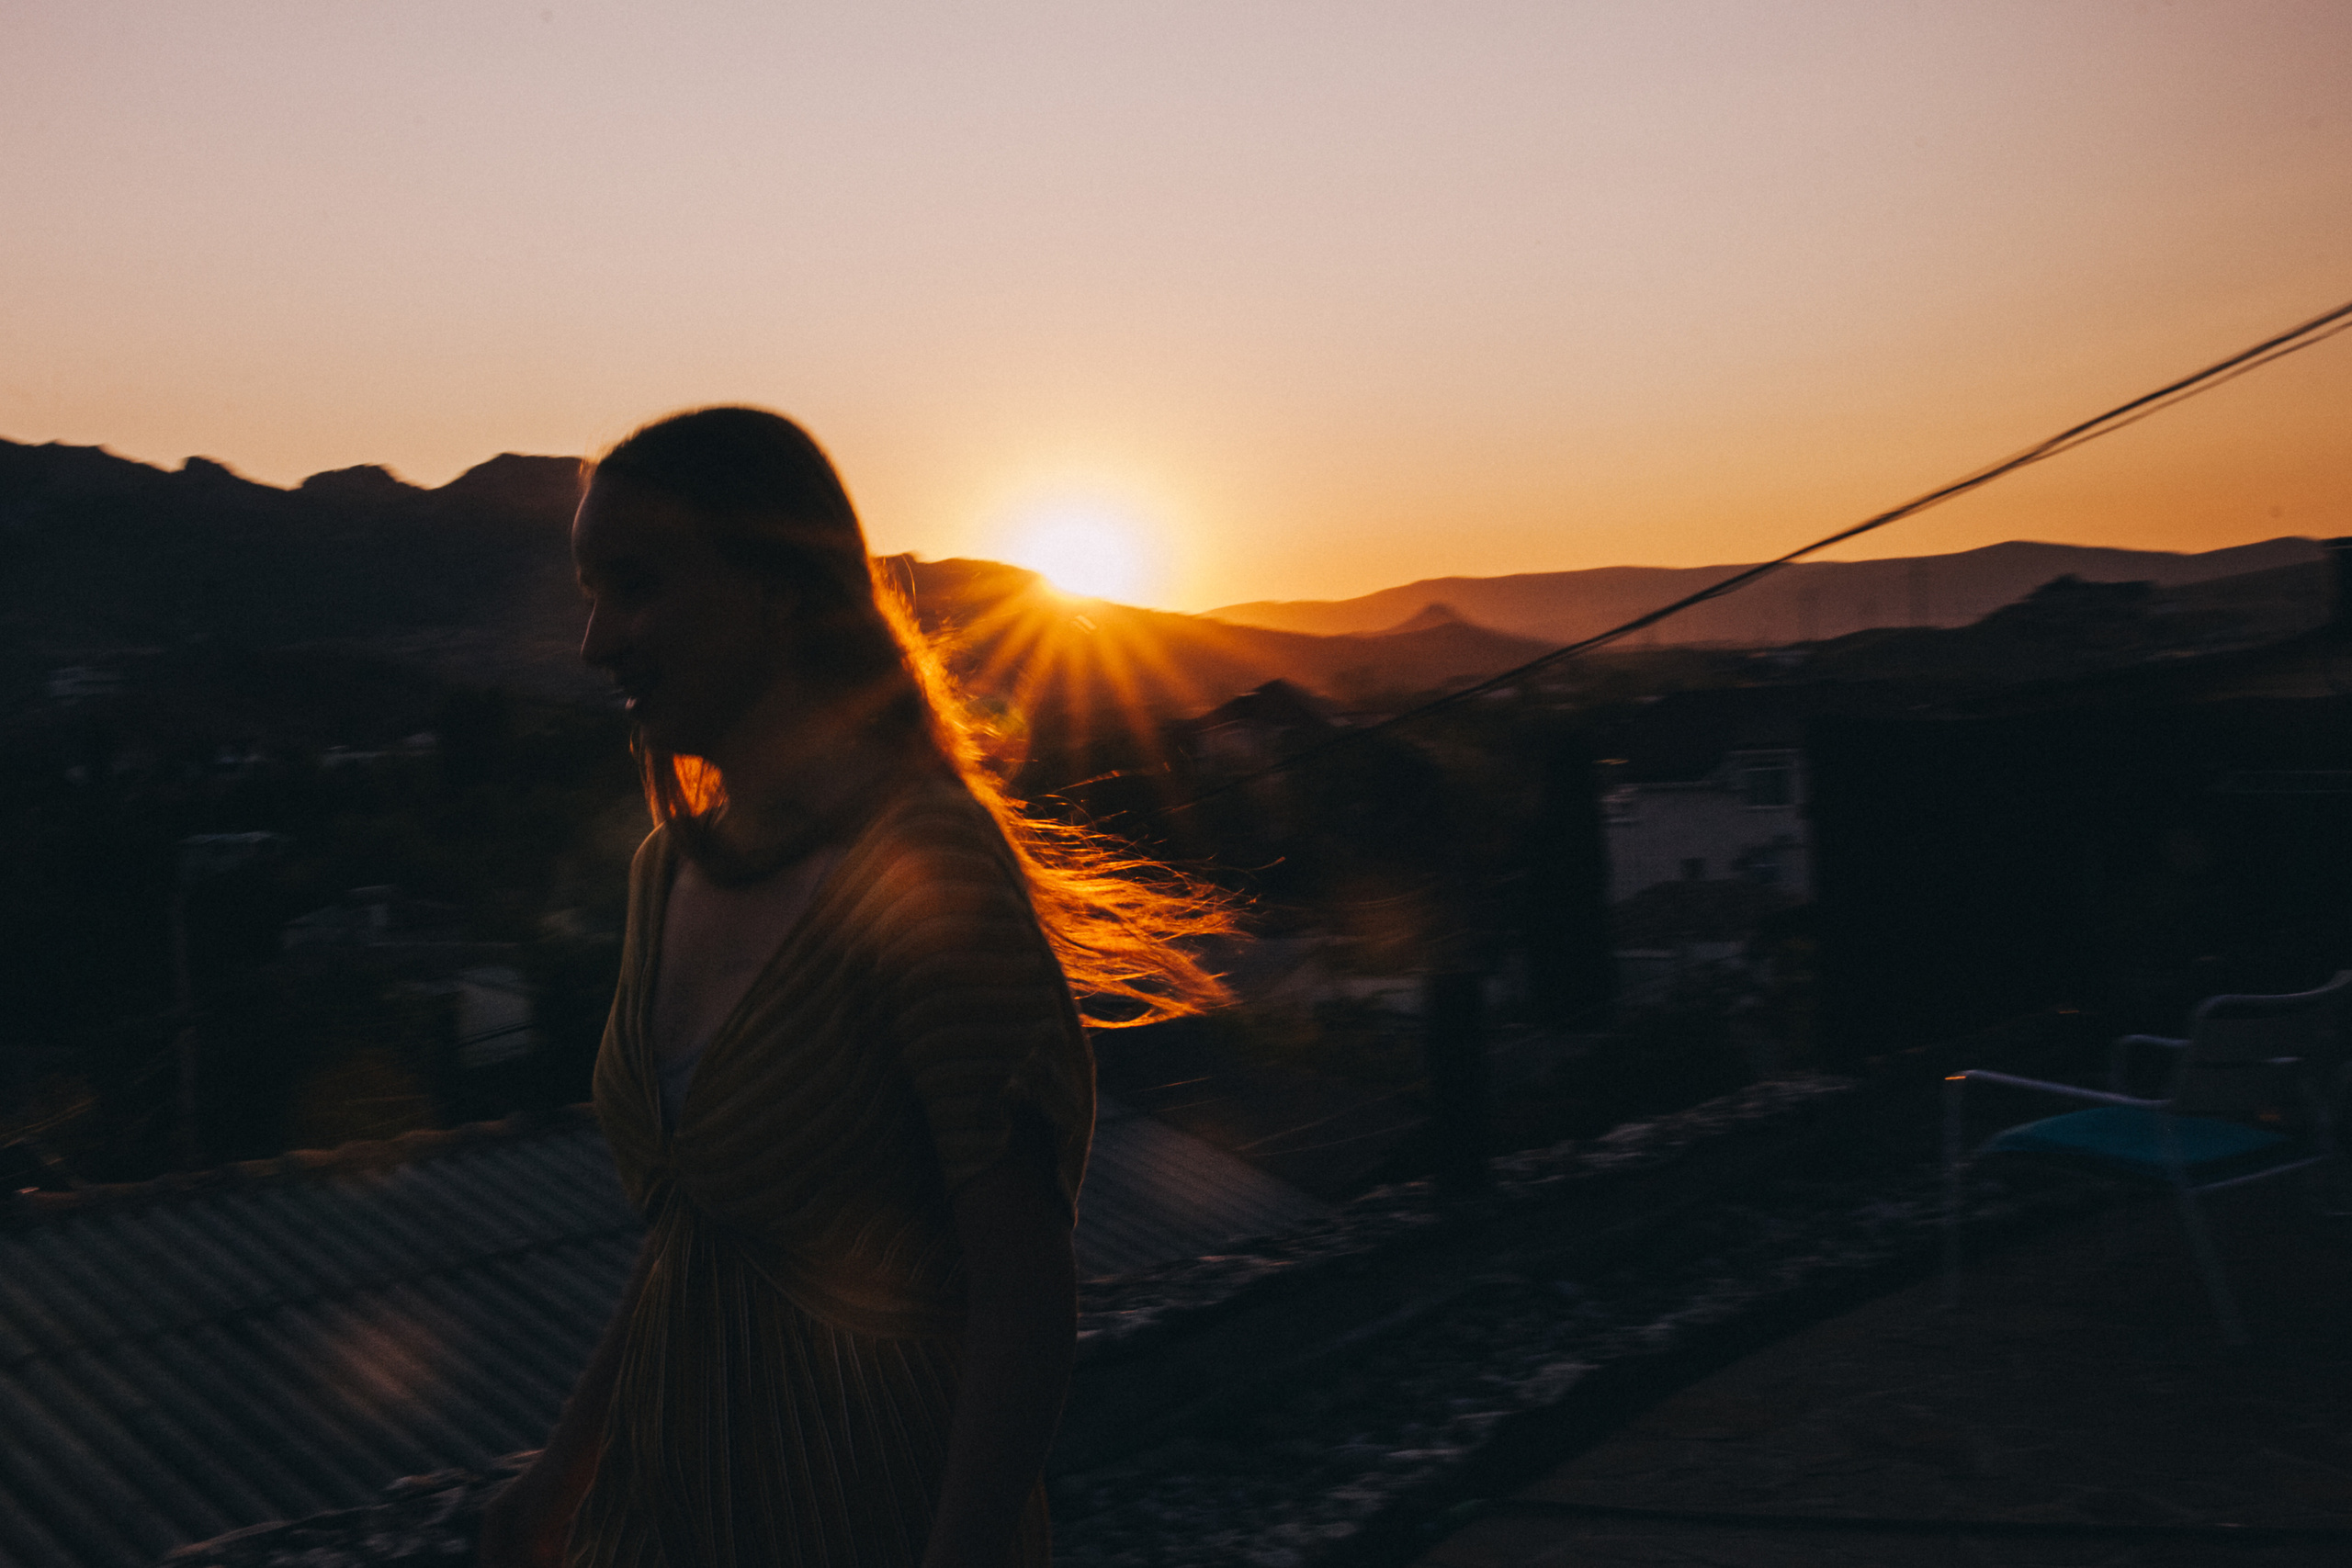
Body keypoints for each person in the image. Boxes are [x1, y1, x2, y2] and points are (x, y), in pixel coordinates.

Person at [480, 407, 1229, 1568]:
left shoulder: (923, 873)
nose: (595, 642)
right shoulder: (665, 873)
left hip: (866, 1516)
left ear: (777, 589)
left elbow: (1022, 1304)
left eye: (635, 586)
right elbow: (704, 1234)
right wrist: (558, 1480)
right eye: (591, 593)